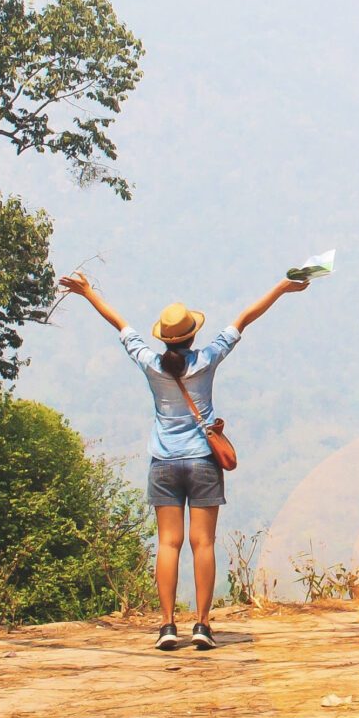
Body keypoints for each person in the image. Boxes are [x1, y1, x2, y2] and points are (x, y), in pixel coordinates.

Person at [58, 268, 309, 650]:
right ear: (193, 335)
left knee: (168, 544)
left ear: (165, 337)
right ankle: (203, 625)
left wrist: (87, 292)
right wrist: (282, 287)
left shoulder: (150, 363)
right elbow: (244, 318)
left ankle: (166, 626)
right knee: (202, 544)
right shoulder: (207, 360)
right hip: (203, 464)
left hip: (164, 463)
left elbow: (120, 324)